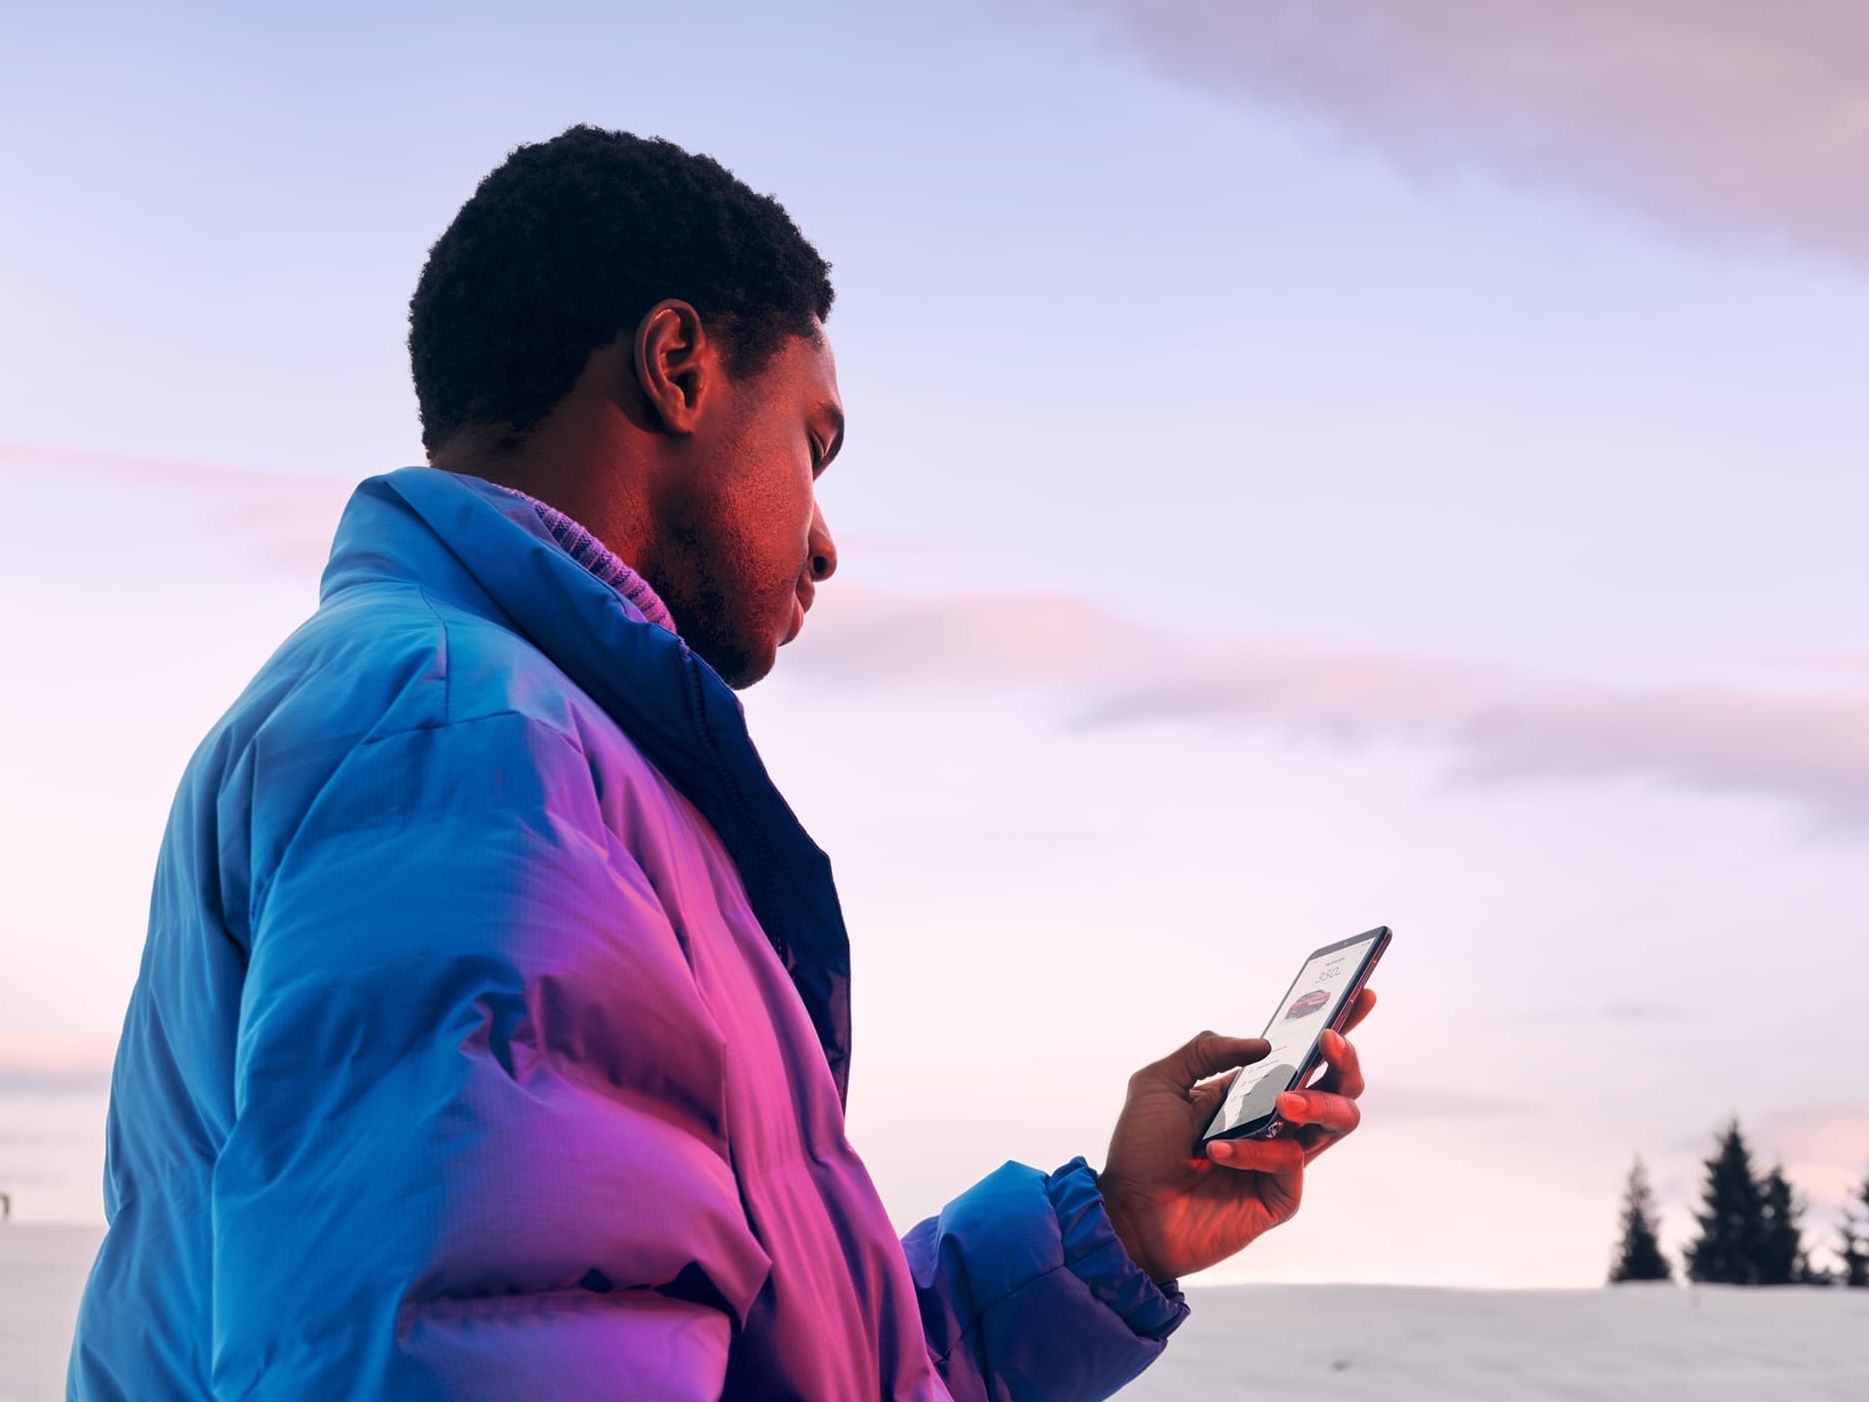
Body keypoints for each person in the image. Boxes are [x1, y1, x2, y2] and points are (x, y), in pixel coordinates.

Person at [66, 124, 1377, 1400]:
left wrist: (1117, 1237)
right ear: (679, 365)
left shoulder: (523, 748)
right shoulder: (472, 743)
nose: (823, 542)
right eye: (812, 445)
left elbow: (732, 1347)